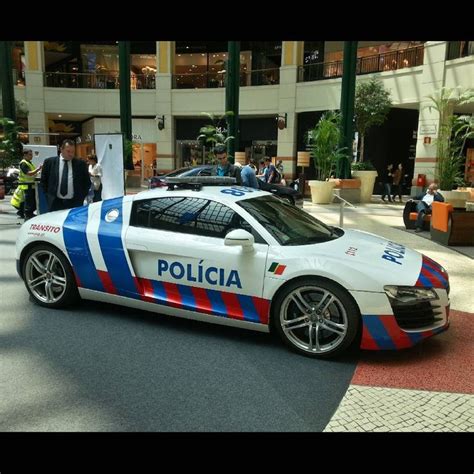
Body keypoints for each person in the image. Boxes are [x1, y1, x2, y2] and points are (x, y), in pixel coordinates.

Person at [40, 139, 91, 212]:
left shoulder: (80, 164)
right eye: (68, 151)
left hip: (75, 203)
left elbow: (87, 182)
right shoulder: (49, 162)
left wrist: (81, 197)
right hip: (55, 203)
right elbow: (44, 181)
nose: (71, 154)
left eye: (73, 152)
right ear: (61, 149)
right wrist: (48, 196)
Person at [13, 148, 42, 219]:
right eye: (30, 154)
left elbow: (32, 173)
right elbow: (29, 173)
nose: (31, 156)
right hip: (26, 186)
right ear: (25, 154)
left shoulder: (28, 162)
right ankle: (28, 215)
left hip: (30, 185)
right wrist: (38, 168)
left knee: (31, 201)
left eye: (31, 154)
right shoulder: (23, 163)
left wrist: (38, 172)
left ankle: (27, 213)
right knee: (29, 202)